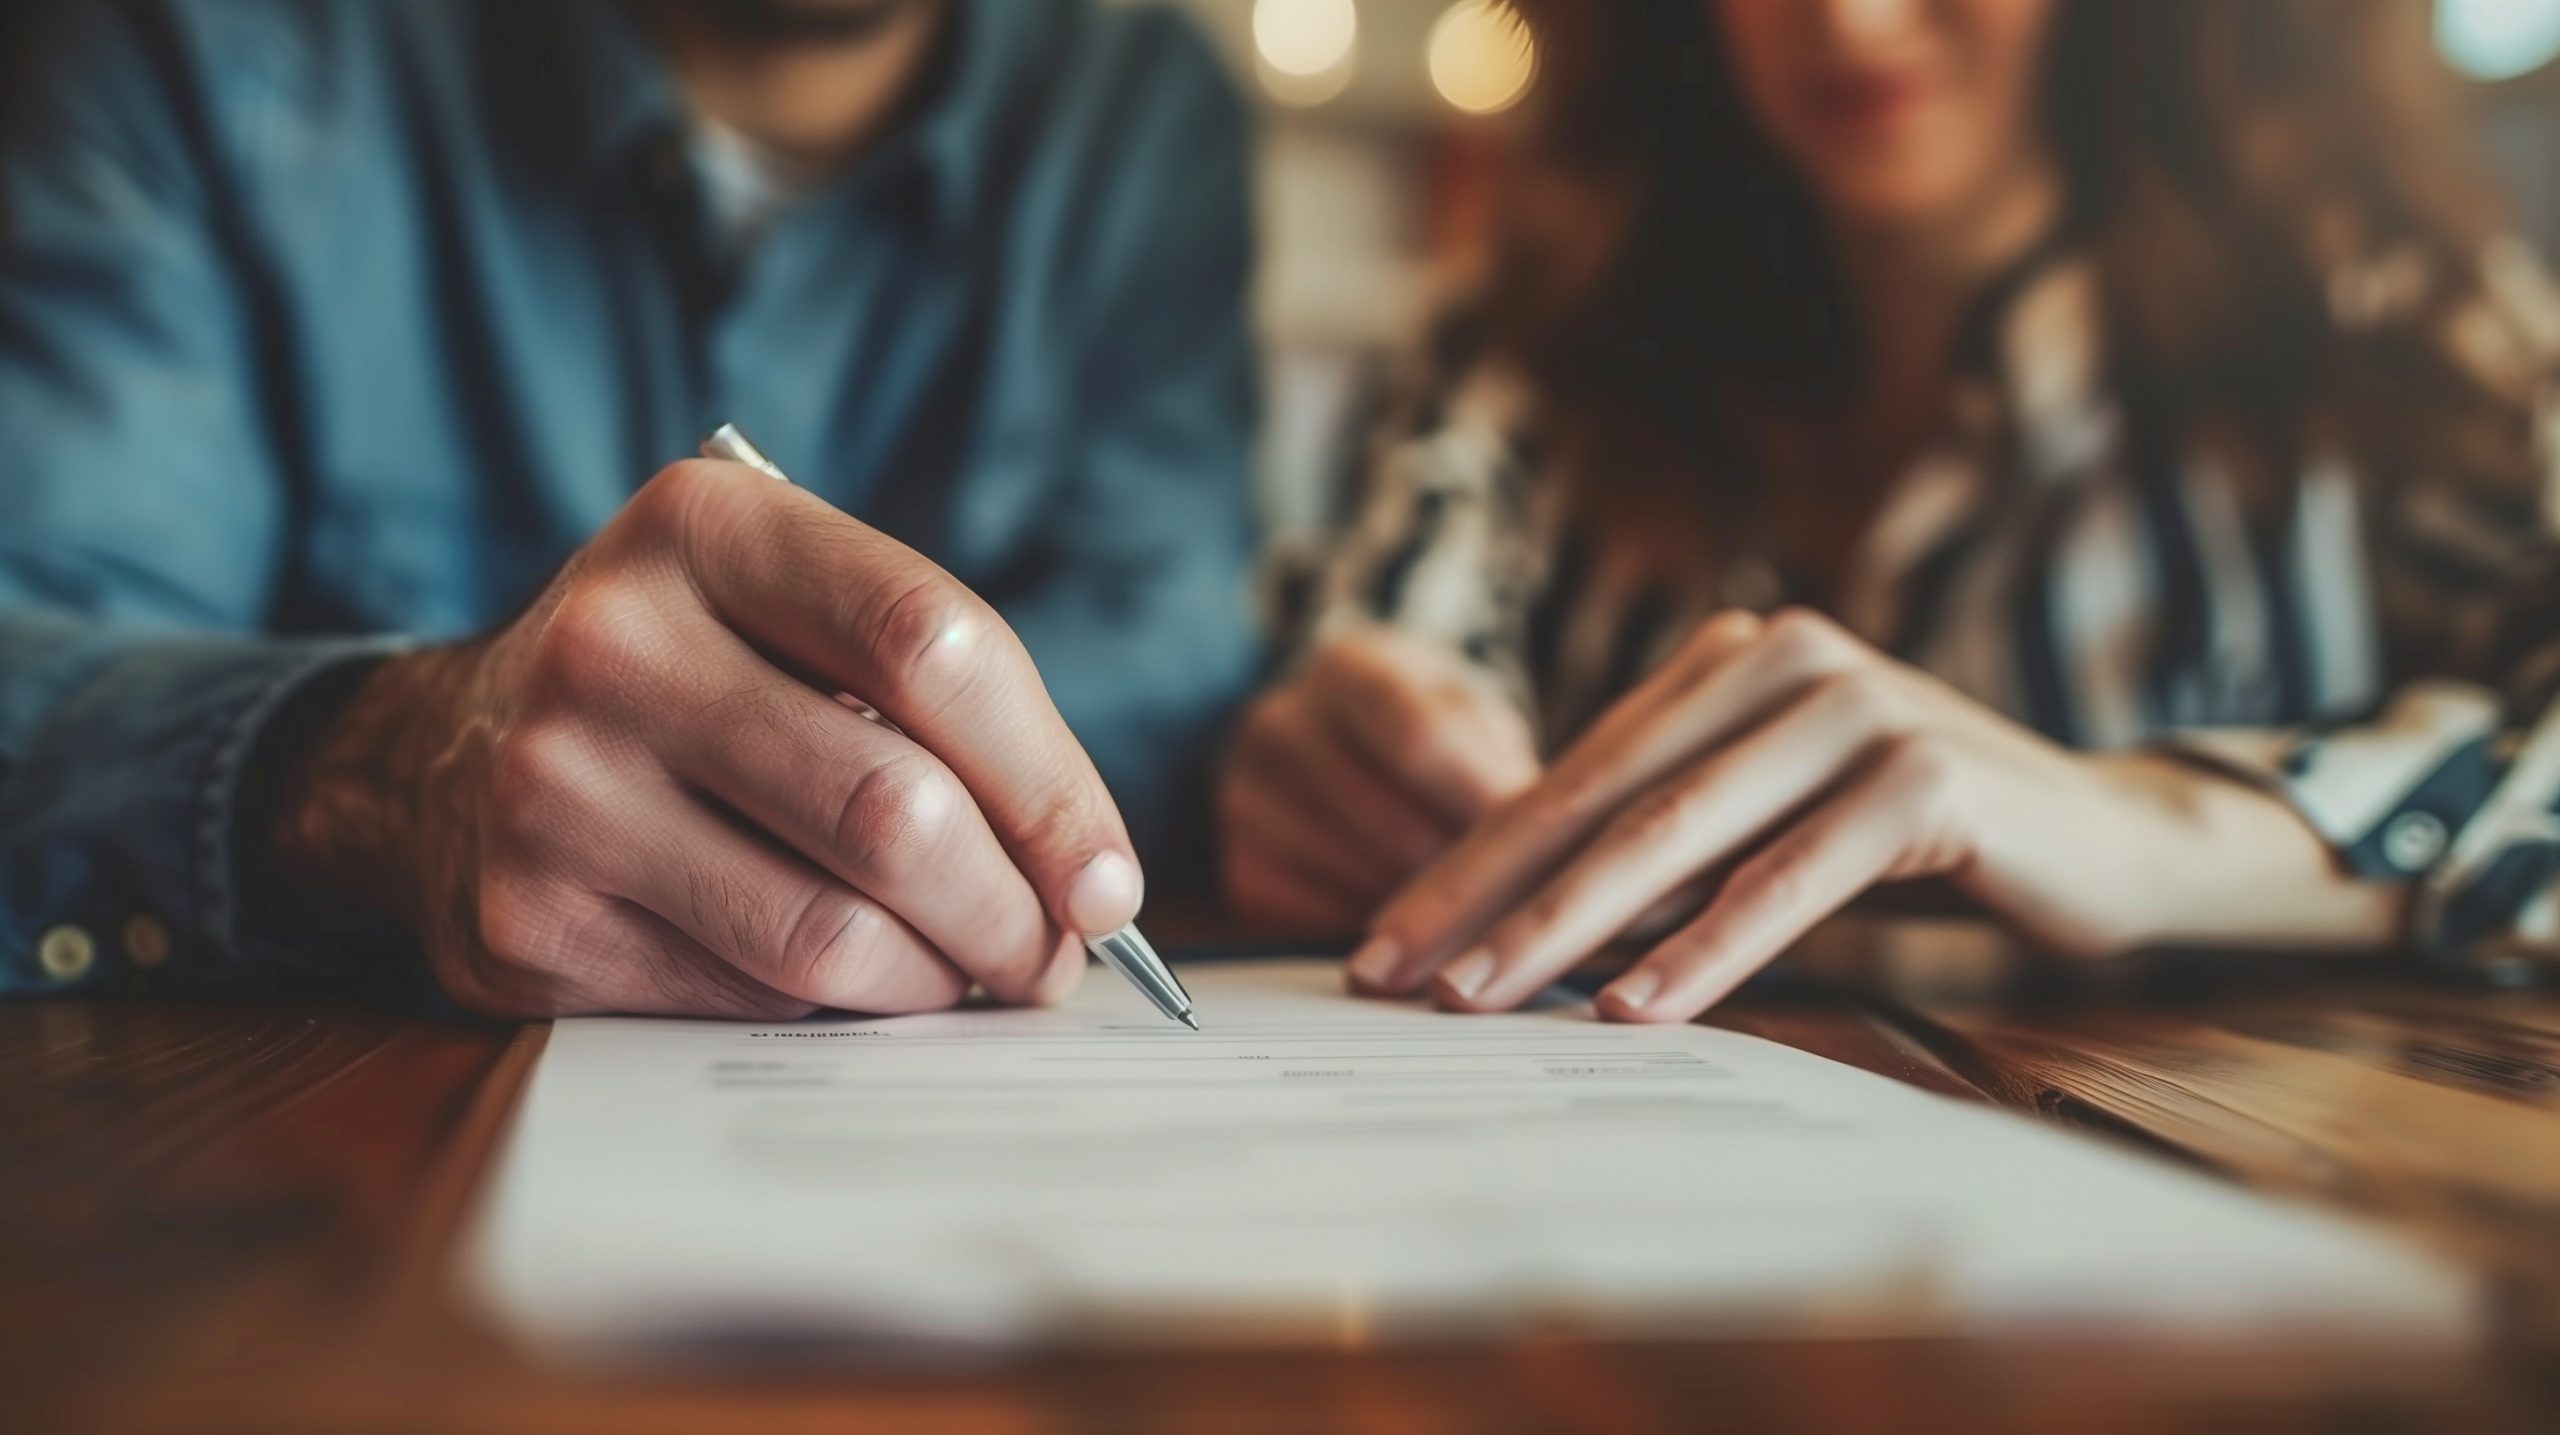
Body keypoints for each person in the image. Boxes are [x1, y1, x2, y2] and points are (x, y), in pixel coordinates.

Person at [1223, 0, 2560, 1022]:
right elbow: (1388, 658)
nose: (1847, 17)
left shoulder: (2391, 340)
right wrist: (1331, 760)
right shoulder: (1521, 352)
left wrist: (2158, 829)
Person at [0, 0, 1259, 1017]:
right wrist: (385, 769)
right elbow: (33, 656)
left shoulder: (1143, 119)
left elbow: (1167, 667)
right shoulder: (196, 46)